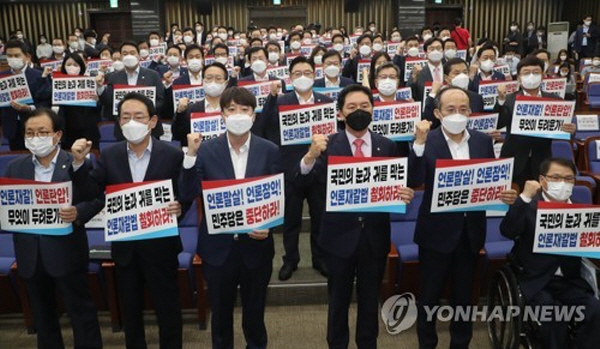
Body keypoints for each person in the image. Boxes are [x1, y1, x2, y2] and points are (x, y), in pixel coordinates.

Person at [298, 84, 414, 348]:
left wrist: (403, 194)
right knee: (338, 300)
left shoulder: (388, 145)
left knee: (370, 299)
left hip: (374, 237)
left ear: (373, 109)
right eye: (352, 107)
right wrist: (309, 156)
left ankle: (367, 343)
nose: (358, 111)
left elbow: (395, 187)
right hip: (338, 237)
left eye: (364, 106)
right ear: (340, 114)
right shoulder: (326, 146)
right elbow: (301, 183)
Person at [71, 92, 187, 349]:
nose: (132, 122)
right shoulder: (110, 156)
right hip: (125, 248)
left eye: (139, 116)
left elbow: (185, 193)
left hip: (161, 246)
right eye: (126, 117)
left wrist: (180, 206)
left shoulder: (172, 154)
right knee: (130, 311)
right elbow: (92, 192)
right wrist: (79, 164)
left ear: (153, 121)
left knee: (168, 309)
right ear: (119, 122)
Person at [411, 87, 517, 349]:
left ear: (470, 111)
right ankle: (427, 343)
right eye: (450, 109)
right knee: (429, 297)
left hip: (471, 233)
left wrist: (503, 195)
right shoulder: (427, 141)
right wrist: (419, 144)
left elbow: (489, 181)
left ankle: (461, 343)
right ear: (437, 113)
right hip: (436, 234)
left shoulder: (481, 141)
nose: (457, 114)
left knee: (464, 297)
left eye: (462, 109)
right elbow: (414, 181)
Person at [179, 87, 280, 349]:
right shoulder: (205, 150)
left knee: (255, 314)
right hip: (217, 248)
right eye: (231, 109)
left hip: (255, 246)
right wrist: (190, 155)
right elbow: (188, 193)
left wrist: (269, 226)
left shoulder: (269, 150)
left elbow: (281, 197)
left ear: (254, 116)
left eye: (244, 110)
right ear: (221, 115)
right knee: (221, 316)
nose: (238, 115)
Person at [5, 108, 102, 349]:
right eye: (30, 132)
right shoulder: (15, 168)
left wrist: (78, 212)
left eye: (42, 132)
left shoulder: (76, 161)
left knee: (81, 313)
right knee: (43, 317)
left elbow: (97, 198)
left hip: (66, 251)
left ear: (57, 135)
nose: (35, 137)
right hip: (30, 253)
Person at [500, 157, 600, 349]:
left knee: (595, 310)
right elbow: (508, 230)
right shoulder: (528, 206)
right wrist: (525, 196)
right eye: (556, 177)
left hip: (569, 280)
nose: (562, 183)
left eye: (568, 179)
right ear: (542, 180)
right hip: (536, 280)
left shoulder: (582, 211)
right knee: (553, 316)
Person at [261, 56, 334, 281]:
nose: (303, 77)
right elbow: (263, 128)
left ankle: (319, 258)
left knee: (320, 218)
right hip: (290, 170)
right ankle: (290, 260)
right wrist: (271, 98)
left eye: (308, 73)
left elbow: (332, 137)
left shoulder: (325, 101)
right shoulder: (281, 101)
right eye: (297, 73)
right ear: (290, 78)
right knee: (291, 221)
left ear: (315, 75)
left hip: (319, 169)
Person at [494, 56, 576, 190]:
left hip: (542, 159)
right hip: (515, 159)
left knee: (537, 201)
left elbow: (563, 131)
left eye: (536, 72)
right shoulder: (509, 99)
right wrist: (501, 101)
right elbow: (498, 123)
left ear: (543, 76)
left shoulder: (555, 100)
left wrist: (571, 130)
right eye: (526, 73)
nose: (531, 76)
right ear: (519, 78)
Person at [96, 41, 165, 140]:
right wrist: (100, 87)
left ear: (138, 55)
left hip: (149, 128)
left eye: (132, 53)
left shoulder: (153, 75)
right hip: (124, 129)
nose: (129, 56)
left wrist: (144, 111)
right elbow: (109, 103)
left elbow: (161, 101)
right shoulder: (113, 77)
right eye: (125, 54)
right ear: (120, 57)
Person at [0, 40, 51, 150]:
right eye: (9, 55)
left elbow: (46, 102)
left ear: (27, 56)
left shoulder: (38, 75)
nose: (13, 58)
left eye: (16, 55)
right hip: (11, 126)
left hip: (35, 126)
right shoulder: (2, 77)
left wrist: (29, 108)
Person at [172, 62, 229, 145]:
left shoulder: (233, 109)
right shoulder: (191, 110)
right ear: (203, 82)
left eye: (218, 78)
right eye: (209, 78)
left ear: (226, 83)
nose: (213, 82)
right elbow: (178, 136)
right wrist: (180, 112)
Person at [422, 58, 485, 129]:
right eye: (457, 73)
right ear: (446, 78)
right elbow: (430, 123)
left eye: (465, 72)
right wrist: (433, 93)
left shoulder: (477, 98)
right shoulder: (439, 98)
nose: (462, 76)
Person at [57, 52, 101, 149]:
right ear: (64, 66)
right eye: (68, 64)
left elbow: (98, 109)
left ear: (81, 67)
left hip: (88, 130)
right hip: (68, 130)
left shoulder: (89, 82)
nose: (72, 67)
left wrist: (97, 100)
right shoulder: (58, 84)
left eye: (75, 65)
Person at [410, 37, 444, 101]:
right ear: (426, 52)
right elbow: (411, 93)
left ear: (443, 50)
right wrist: (414, 78)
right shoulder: (418, 72)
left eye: (438, 48)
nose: (435, 51)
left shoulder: (449, 69)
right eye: (432, 49)